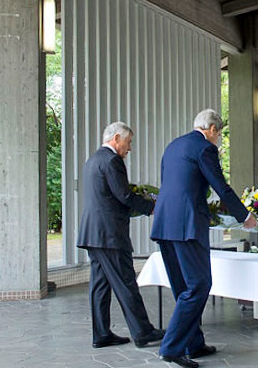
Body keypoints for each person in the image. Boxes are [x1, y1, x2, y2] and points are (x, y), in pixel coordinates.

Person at [151, 109, 258, 368]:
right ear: (211, 129)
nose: (218, 139)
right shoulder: (204, 148)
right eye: (218, 133)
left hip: (165, 224)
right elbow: (221, 187)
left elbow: (173, 184)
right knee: (199, 285)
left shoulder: (173, 145)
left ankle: (193, 343)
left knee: (182, 288)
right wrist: (244, 216)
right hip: (188, 226)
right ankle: (171, 348)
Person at [77, 122, 165, 349]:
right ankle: (143, 332)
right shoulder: (112, 160)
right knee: (126, 282)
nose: (130, 148)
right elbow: (124, 196)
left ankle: (101, 334)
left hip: (93, 233)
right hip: (109, 234)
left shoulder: (93, 160)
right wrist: (152, 207)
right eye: (129, 142)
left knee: (100, 285)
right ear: (117, 138)